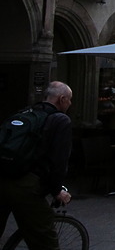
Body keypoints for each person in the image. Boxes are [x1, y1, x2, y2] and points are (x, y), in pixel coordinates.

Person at [0, 81, 73, 249]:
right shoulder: (60, 120)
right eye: (69, 100)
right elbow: (58, 162)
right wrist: (57, 191)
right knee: (44, 239)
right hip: (26, 185)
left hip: (2, 177)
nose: (70, 104)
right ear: (62, 99)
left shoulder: (24, 113)